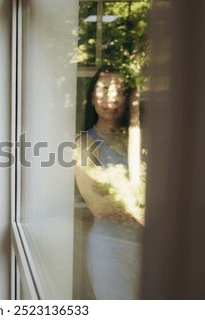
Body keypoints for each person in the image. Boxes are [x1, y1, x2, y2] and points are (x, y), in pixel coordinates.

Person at [74, 66, 144, 299]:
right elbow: (99, 207)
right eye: (104, 89)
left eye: (120, 91)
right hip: (110, 248)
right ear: (92, 97)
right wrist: (140, 210)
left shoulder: (139, 141)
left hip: (148, 247)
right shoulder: (83, 144)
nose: (111, 98)